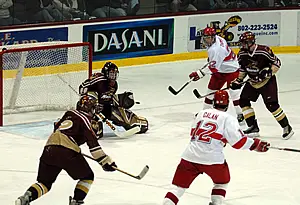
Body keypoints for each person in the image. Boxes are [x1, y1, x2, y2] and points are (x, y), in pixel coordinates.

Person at [162, 90, 270, 205]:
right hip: (213, 160)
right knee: (221, 182)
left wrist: (221, 139)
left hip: (190, 156)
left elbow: (194, 133)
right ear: (227, 104)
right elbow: (238, 142)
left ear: (214, 103)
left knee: (177, 187)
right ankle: (216, 203)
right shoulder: (228, 119)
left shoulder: (201, 113)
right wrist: (255, 144)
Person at [15, 92, 117, 205]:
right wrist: (106, 162)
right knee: (88, 177)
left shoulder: (68, 113)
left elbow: (57, 127)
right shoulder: (85, 120)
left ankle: (25, 198)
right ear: (91, 108)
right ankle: (76, 202)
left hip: (49, 148)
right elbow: (94, 147)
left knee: (44, 183)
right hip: (68, 152)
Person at [230, 31, 294, 139]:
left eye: (245, 43)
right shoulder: (242, 54)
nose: (243, 45)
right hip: (253, 82)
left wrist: (269, 72)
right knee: (243, 100)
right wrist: (238, 80)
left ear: (251, 42)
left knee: (272, 105)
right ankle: (253, 127)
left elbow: (277, 63)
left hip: (267, 82)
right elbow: (243, 69)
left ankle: (287, 127)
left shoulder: (263, 51)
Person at [189, 27, 244, 123]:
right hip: (220, 69)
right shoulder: (218, 39)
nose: (207, 40)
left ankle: (240, 114)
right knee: (211, 91)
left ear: (213, 37)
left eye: (209, 37)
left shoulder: (217, 49)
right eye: (206, 37)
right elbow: (214, 64)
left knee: (234, 93)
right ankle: (205, 112)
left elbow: (213, 68)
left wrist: (199, 74)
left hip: (231, 70)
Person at [79, 62, 148, 137]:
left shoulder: (114, 85)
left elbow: (107, 99)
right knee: (94, 132)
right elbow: (82, 87)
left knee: (126, 101)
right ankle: (91, 124)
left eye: (115, 74)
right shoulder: (99, 79)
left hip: (102, 108)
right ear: (106, 73)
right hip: (89, 109)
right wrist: (90, 102)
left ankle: (132, 120)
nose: (113, 76)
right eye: (111, 74)